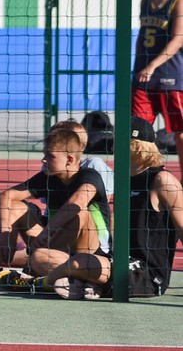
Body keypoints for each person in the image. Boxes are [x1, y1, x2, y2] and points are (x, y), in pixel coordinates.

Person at [37, 117, 183, 299]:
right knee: (40, 257)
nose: (113, 144)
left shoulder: (162, 180)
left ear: (136, 145)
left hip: (147, 273)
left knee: (78, 262)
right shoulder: (122, 179)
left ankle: (41, 283)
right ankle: (88, 283)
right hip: (117, 259)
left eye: (118, 138)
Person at [0, 128, 111, 284]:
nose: (43, 160)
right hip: (56, 248)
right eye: (44, 154)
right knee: (16, 207)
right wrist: (5, 232)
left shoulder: (90, 176)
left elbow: (76, 203)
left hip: (92, 254)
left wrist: (46, 232)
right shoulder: (48, 178)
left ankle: (35, 272)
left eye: (50, 155)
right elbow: (5, 196)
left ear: (69, 159)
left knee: (80, 213)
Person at [132, 0, 183, 175]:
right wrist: (139, 66)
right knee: (137, 132)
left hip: (170, 77)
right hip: (143, 78)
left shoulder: (178, 1)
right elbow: (142, 36)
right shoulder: (146, 0)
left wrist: (152, 66)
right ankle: (142, 178)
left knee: (180, 133)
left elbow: (178, 39)